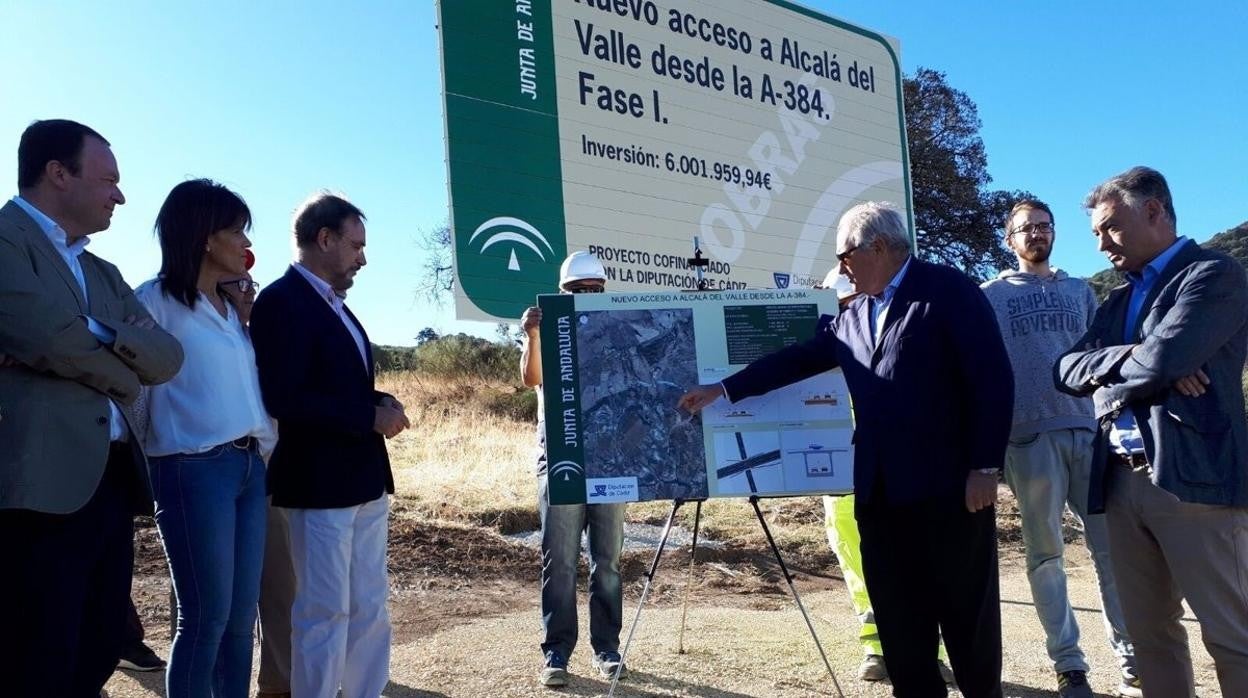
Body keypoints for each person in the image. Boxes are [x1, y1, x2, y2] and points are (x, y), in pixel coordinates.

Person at [681, 202, 1013, 698]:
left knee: (967, 619)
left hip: (950, 491)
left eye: (844, 256)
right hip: (880, 496)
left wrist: (984, 465)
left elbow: (992, 378)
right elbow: (794, 361)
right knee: (901, 623)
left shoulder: (946, 290)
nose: (841, 269)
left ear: (876, 247)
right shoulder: (852, 315)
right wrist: (723, 389)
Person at [0, 119, 184, 698]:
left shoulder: (101, 270)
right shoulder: (6, 240)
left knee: (104, 637)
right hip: (37, 481)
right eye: (109, 180)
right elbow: (46, 337)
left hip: (109, 484)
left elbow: (166, 357)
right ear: (58, 173)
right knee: (38, 648)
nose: (121, 196)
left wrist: (90, 333)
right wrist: (119, 365)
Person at [1055, 166, 1248, 697]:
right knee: (1150, 636)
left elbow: (1166, 357)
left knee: (1233, 637)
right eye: (1095, 233)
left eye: (1109, 228)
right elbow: (1065, 369)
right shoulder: (1117, 299)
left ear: (1155, 212)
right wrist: (1134, 362)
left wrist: (1117, 371)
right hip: (1120, 483)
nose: (1100, 245)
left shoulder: (1214, 274)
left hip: (1195, 483)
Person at [250, 192, 409, 698]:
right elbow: (285, 396)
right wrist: (368, 415)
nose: (363, 258)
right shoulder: (280, 302)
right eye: (356, 245)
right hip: (317, 485)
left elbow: (334, 385)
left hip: (362, 480)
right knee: (322, 611)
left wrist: (380, 400)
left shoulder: (337, 307)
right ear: (324, 239)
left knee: (369, 605)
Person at [981, 199, 1140, 698]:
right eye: (1025, 229)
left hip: (1090, 432)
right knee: (1045, 555)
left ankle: (1133, 661)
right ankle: (1069, 664)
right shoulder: (991, 296)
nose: (1036, 235)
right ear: (1010, 240)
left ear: (1054, 234)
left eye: (1043, 227)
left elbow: (1103, 359)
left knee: (1113, 552)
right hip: (1028, 437)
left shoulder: (1080, 290)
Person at [134, 179, 276, 698]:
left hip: (246, 468)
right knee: (204, 621)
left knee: (242, 621)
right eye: (236, 231)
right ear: (203, 237)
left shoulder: (230, 309)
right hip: (191, 469)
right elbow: (130, 388)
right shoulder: (153, 302)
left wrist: (247, 321)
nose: (246, 244)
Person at [813, 268, 954, 686]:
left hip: (900, 465)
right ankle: (876, 645)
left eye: (854, 301)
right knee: (856, 559)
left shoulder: (900, 332)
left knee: (918, 559)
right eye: (841, 305)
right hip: (842, 470)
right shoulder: (826, 341)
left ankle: (933, 652)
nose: (850, 310)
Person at [520, 251, 627, 688]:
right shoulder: (542, 325)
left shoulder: (617, 331)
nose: (587, 297)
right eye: (578, 291)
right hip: (560, 456)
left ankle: (607, 649)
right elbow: (532, 378)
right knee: (560, 561)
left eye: (595, 290)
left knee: (608, 560)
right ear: (563, 291)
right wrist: (532, 332)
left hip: (610, 456)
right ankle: (557, 652)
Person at [218, 259, 297, 698]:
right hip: (210, 475)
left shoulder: (263, 338)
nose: (250, 291)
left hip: (269, 472)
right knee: (213, 597)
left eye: (252, 283)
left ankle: (278, 683)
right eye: (240, 283)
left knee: (281, 583)